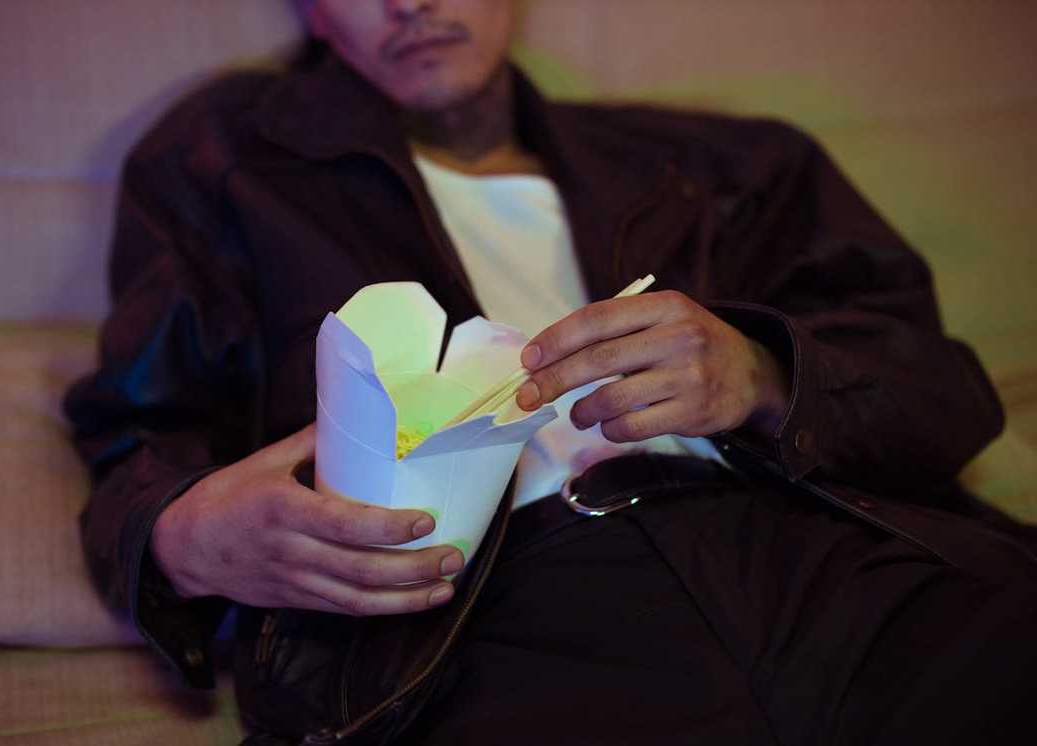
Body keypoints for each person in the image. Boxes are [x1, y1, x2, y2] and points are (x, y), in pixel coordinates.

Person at [64, 1, 1037, 743]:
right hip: (474, 621)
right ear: (314, 9)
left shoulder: (726, 163)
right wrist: (182, 536)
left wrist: (766, 369)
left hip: (818, 552)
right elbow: (138, 432)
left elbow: (942, 393)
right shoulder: (228, 163)